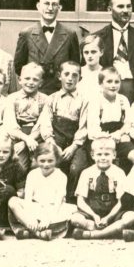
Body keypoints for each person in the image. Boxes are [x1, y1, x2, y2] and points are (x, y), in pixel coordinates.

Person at [38, 61, 89, 202]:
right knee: (47, 163)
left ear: (80, 78)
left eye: (75, 75)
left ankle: (72, 201)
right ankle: (49, 199)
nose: (70, 78)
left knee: (76, 168)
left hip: (76, 142)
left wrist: (74, 146)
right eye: (66, 74)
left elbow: (84, 126)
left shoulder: (84, 100)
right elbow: (46, 123)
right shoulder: (52, 99)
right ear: (59, 76)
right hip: (55, 139)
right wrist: (51, 143)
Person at [14, 0, 80, 95]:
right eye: (46, 3)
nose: (50, 8)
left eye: (54, 4)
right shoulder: (26, 33)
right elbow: (19, 67)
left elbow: (75, 65)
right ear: (38, 6)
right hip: (35, 93)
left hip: (60, 93)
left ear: (59, 8)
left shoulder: (70, 34)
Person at [93, 0, 134, 103]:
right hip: (106, 93)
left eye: (129, 6)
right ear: (109, 10)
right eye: (120, 6)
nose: (126, 10)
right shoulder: (97, 38)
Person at [70, 137, 134, 240]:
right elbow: (80, 201)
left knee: (132, 216)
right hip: (92, 212)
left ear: (114, 155)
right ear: (92, 155)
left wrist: (108, 217)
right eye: (99, 154)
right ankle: (111, 231)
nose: (103, 158)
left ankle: (95, 234)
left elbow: (121, 202)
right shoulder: (86, 173)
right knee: (75, 218)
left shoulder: (119, 173)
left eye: (107, 154)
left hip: (113, 212)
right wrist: (94, 216)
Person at [8, 144, 77, 240]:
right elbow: (28, 199)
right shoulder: (32, 174)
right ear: (36, 160)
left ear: (56, 160)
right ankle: (38, 232)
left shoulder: (61, 176)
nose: (46, 164)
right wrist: (30, 217)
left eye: (50, 161)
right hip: (35, 207)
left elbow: (58, 202)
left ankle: (30, 231)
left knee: (73, 212)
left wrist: (47, 218)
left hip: (54, 209)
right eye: (42, 161)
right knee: (13, 201)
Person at [4, 63, 49, 171]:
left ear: (41, 83)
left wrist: (28, 141)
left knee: (39, 165)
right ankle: (20, 188)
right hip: (18, 136)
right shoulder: (11, 98)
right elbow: (10, 125)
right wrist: (25, 140)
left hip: (37, 137)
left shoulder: (46, 100)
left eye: (35, 79)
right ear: (20, 80)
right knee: (19, 166)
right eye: (27, 78)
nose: (30, 82)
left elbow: (43, 124)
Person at [87, 67, 134, 170]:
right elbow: (93, 128)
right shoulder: (96, 101)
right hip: (101, 139)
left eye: (117, 82)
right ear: (100, 84)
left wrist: (120, 133)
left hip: (119, 137)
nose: (113, 85)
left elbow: (128, 123)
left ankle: (130, 185)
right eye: (109, 81)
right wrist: (108, 137)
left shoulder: (123, 100)